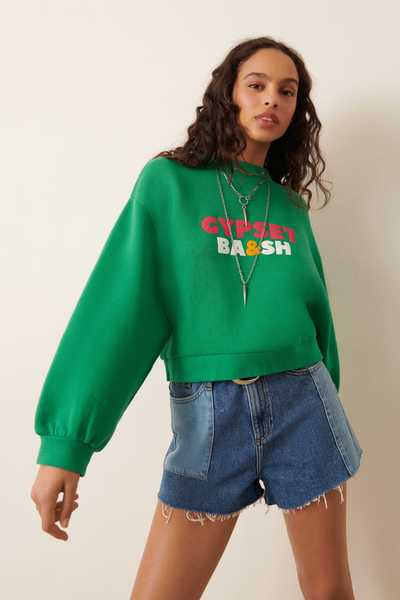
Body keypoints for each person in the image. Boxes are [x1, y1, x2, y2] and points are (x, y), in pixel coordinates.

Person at [31, 36, 363, 600]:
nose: (272, 99)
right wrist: (66, 446)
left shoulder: (290, 206)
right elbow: (117, 310)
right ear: (227, 94)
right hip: (211, 414)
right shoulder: (168, 184)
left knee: (329, 592)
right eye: (256, 84)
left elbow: (318, 319)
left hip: (306, 406)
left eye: (287, 91)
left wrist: (329, 396)